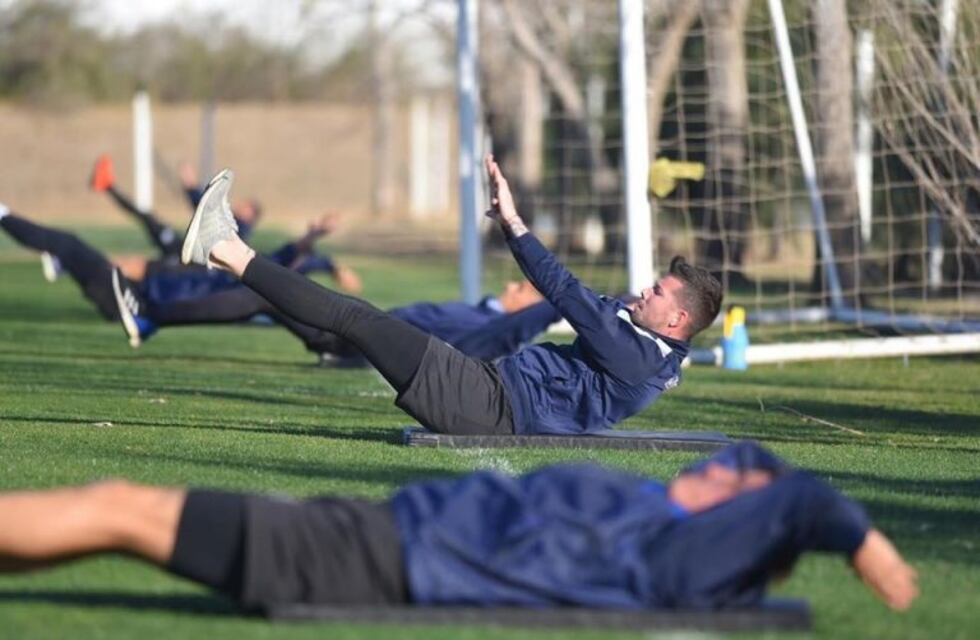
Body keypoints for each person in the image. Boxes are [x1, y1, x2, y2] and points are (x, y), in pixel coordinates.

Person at [0, 442, 919, 612]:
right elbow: (777, 492)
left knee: (121, 505)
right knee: (122, 515)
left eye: (727, 473)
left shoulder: (676, 550)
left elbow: (804, 503)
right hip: (372, 534)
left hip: (373, 562)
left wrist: (863, 541)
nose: (706, 466)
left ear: (741, 508)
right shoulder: (659, 517)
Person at [181, 159, 723, 436]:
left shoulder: (636, 354)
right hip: (486, 391)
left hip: (485, 407)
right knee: (357, 319)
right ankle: (225, 250)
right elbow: (601, 305)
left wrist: (512, 221)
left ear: (676, 318)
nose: (646, 290)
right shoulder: (652, 348)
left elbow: (564, 290)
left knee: (354, 318)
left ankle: (226, 247)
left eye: (659, 291)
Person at [0, 206, 359, 347]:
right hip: (131, 296)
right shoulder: (188, 259)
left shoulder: (236, 268)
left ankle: (5, 215)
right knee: (68, 246)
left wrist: (313, 239)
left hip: (134, 300)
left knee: (68, 244)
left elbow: (283, 260)